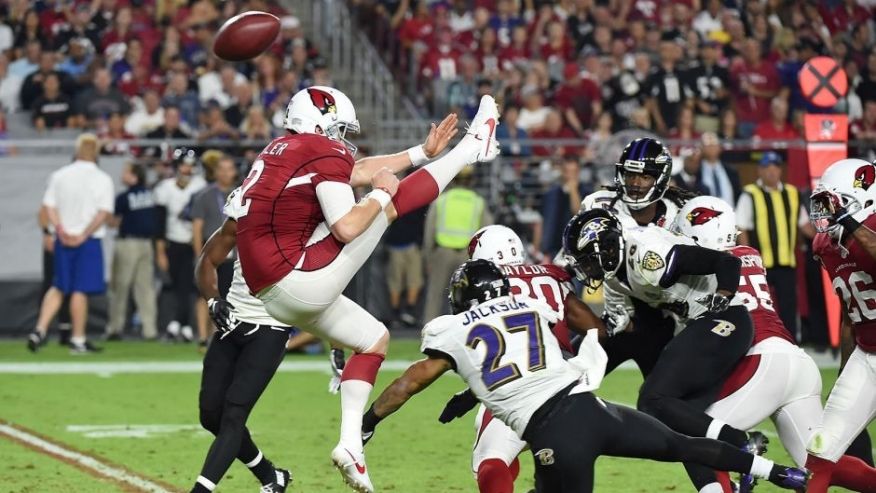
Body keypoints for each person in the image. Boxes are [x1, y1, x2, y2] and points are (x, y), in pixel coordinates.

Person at [235, 86, 498, 493]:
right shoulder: (321, 151)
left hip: (271, 291)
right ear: (321, 123)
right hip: (298, 277)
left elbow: (355, 170)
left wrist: (419, 155)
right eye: (338, 129)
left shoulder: (282, 148)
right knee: (386, 208)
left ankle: (350, 444)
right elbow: (349, 225)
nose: (342, 140)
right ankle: (471, 149)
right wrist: (380, 192)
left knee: (373, 340)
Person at [361, 260, 808, 493]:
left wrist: (369, 421)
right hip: (594, 409)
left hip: (555, 432)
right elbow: (574, 332)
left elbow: (410, 382)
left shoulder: (453, 329)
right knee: (679, 445)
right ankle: (780, 474)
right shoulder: (531, 306)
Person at [673, 196, 876, 492]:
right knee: (821, 462)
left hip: (762, 364)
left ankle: (744, 456)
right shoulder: (749, 253)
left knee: (698, 438)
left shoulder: (699, 270)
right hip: (796, 363)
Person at [563, 207, 765, 492]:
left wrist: (722, 297)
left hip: (725, 320)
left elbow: (727, 263)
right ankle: (717, 489)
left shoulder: (647, 254)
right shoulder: (615, 274)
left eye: (589, 261)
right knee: (678, 422)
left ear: (607, 246)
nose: (588, 271)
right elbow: (626, 322)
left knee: (652, 399)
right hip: (696, 326)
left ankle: (742, 443)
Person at [441, 225, 603, 493]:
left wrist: (471, 394)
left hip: (520, 383)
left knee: (491, 462)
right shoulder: (551, 276)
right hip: (572, 383)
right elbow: (596, 329)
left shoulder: (487, 286)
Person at [191, 187, 298, 493]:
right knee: (211, 414)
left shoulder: (316, 214)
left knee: (234, 414)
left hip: (272, 325)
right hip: (233, 319)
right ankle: (270, 475)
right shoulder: (248, 203)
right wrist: (213, 301)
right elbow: (207, 260)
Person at [579, 138, 695, 379]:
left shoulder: (680, 215)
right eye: (631, 174)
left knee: (661, 403)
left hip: (661, 323)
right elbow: (572, 261)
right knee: (563, 383)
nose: (635, 183)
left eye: (644, 177)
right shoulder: (601, 207)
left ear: (660, 178)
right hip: (612, 319)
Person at [805, 158, 876, 492]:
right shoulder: (826, 247)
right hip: (867, 356)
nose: (827, 215)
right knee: (820, 451)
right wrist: (844, 371)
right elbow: (850, 315)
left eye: (835, 206)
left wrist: (850, 221)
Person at [28, 134, 113, 354]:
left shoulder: (60, 175)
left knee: (58, 285)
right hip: (87, 240)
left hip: (63, 239)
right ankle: (78, 338)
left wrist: (60, 230)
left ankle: (39, 329)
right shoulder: (102, 178)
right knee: (79, 289)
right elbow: (103, 213)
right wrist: (83, 234)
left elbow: (49, 207)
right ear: (96, 152)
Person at [736, 152, 815, 339]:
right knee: (758, 307)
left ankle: (790, 344)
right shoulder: (750, 194)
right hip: (760, 265)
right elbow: (742, 227)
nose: (771, 172)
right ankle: (756, 341)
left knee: (788, 308)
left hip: (786, 262)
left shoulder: (792, 193)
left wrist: (828, 237)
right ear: (760, 170)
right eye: (767, 168)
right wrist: (747, 260)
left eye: (775, 167)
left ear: (780, 170)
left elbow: (804, 225)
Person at [422, 167, 493, 322]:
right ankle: (462, 332)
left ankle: (428, 333)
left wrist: (428, 258)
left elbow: (429, 232)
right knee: (463, 297)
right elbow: (486, 231)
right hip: (466, 257)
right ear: (471, 180)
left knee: (434, 295)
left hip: (442, 253)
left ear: (453, 180)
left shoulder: (442, 200)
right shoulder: (478, 202)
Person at [154, 147, 206, 342]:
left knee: (186, 284)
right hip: (172, 242)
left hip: (194, 242)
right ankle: (181, 325)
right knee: (177, 285)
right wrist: (160, 251)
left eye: (191, 166)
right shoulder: (164, 188)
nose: (187, 169)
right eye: (184, 165)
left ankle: (177, 324)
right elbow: (159, 222)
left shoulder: (200, 186)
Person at [107, 163, 158, 340]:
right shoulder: (150, 194)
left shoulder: (124, 197)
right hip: (146, 244)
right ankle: (150, 330)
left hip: (128, 244)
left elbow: (113, 222)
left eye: (126, 172)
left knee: (120, 286)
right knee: (145, 288)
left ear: (134, 176)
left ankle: (115, 328)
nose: (123, 175)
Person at [191, 156, 238, 348]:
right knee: (205, 295)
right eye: (222, 169)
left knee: (228, 296)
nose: (226, 173)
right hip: (211, 253)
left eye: (229, 169)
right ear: (215, 172)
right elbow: (196, 227)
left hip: (233, 256)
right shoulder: (204, 195)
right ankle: (202, 337)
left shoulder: (240, 192)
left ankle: (218, 335)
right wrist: (198, 255)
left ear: (234, 172)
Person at [383, 200, 427, 327]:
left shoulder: (397, 198)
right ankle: (401, 313)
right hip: (402, 242)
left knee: (405, 281)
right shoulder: (399, 198)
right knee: (406, 281)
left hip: (403, 242)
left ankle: (404, 313)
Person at [540, 156, 589, 258]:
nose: (570, 176)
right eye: (567, 171)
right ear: (562, 171)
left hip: (577, 247)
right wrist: (545, 251)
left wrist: (573, 191)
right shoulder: (553, 194)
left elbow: (579, 214)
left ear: (578, 172)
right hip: (555, 248)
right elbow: (547, 223)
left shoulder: (586, 192)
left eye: (573, 172)